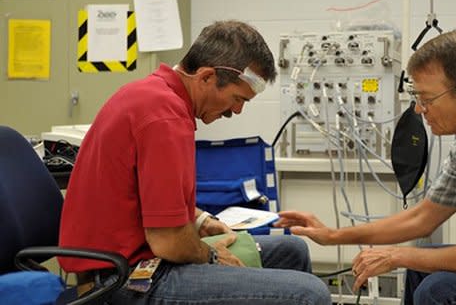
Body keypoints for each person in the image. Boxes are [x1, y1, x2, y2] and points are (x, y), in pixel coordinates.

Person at [275, 31, 456, 304]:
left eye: (427, 98)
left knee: (438, 290)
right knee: (422, 272)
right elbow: (421, 218)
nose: (419, 109)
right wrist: (333, 236)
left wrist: (397, 255)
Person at [59, 20, 332, 305]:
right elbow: (170, 242)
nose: (237, 111)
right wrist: (212, 255)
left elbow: (150, 202)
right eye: (237, 99)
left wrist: (200, 220)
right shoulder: (165, 118)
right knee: (309, 294)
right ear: (206, 77)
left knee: (292, 250)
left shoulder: (154, 96)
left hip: (138, 258)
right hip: (123, 279)